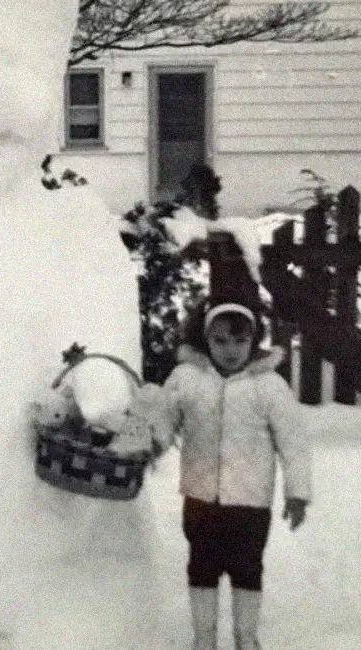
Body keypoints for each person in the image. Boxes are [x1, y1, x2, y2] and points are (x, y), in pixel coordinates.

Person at [148, 235, 312, 650]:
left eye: (240, 341)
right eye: (220, 340)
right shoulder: (187, 379)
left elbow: (293, 441)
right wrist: (150, 442)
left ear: (253, 340)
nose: (231, 350)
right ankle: (204, 639)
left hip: (250, 502)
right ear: (207, 339)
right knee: (201, 567)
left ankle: (246, 637)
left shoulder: (269, 386)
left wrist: (297, 493)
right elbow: (165, 419)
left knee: (246, 569)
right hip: (200, 498)